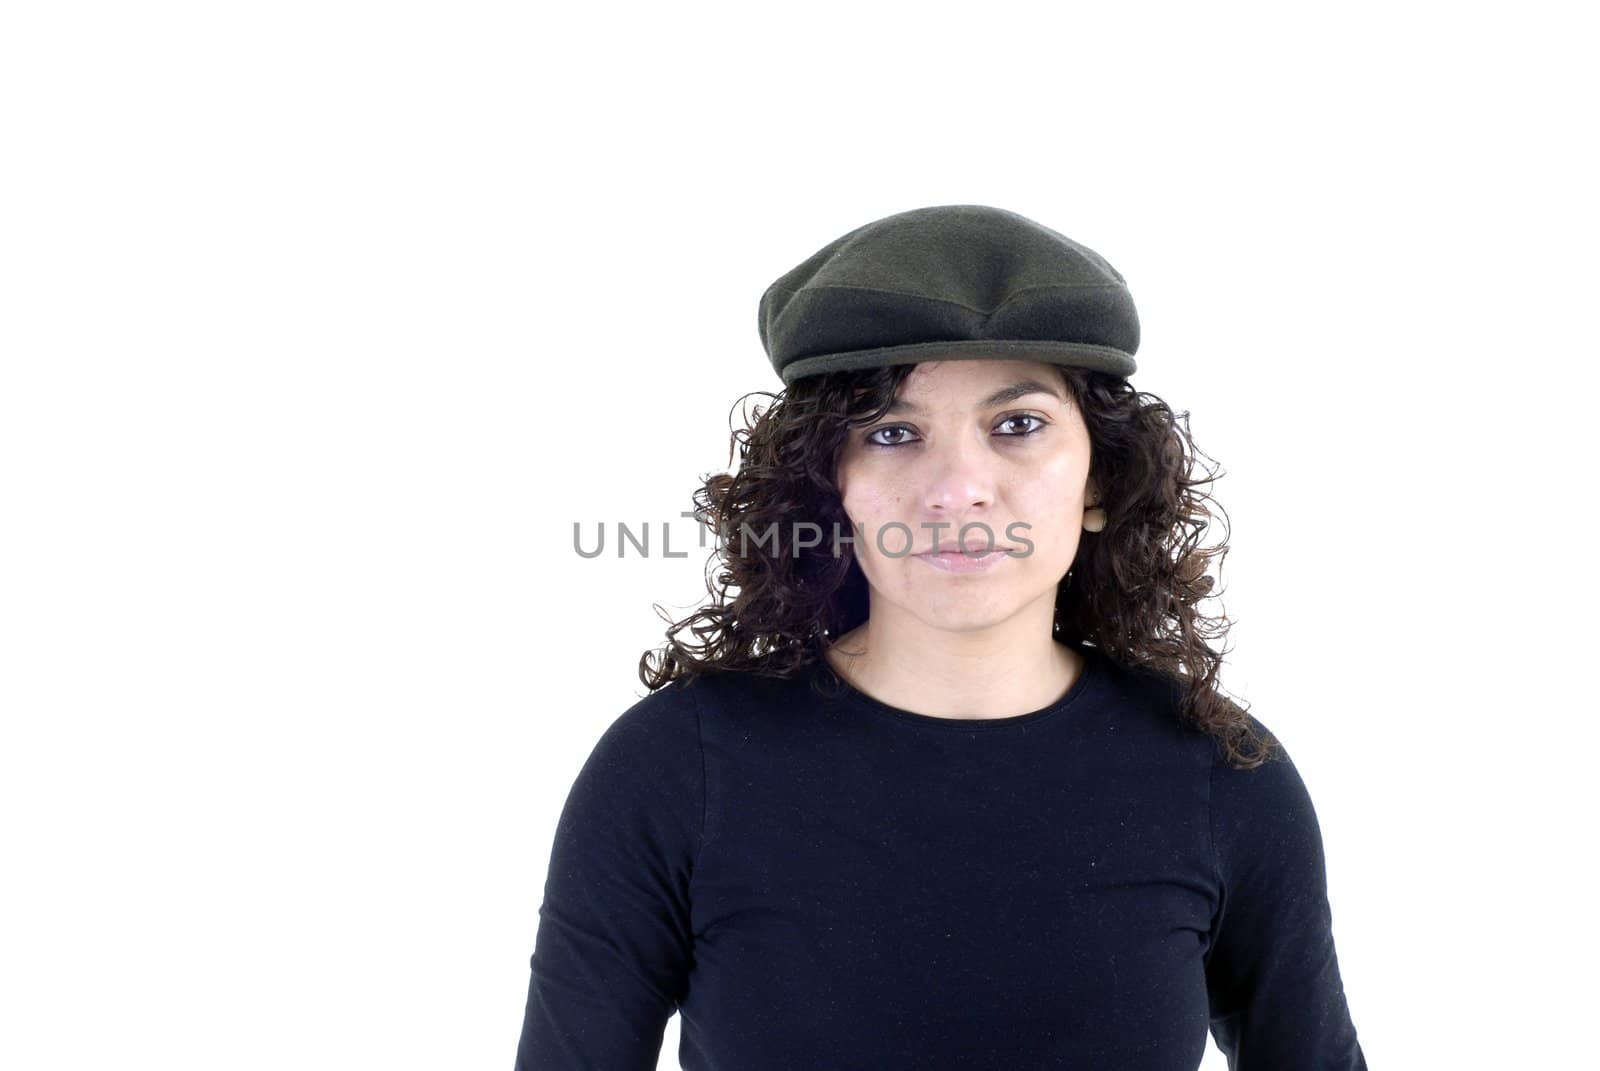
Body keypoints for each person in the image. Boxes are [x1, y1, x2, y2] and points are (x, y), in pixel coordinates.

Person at [513, 204, 1368, 1069]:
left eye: (1018, 424)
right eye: (893, 433)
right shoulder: (674, 771)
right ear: (827, 487)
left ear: (1101, 479)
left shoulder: (1222, 776)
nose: (959, 488)